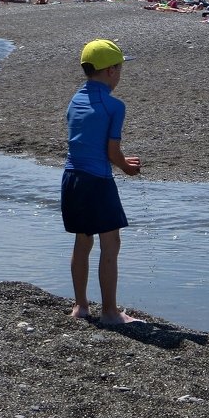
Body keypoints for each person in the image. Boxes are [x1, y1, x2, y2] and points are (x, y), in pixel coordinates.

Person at [61, 39, 143, 325]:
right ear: (111, 71)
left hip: (71, 178)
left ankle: (80, 306)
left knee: (82, 241)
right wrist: (126, 167)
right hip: (97, 180)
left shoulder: (74, 99)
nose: (119, 75)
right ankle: (109, 312)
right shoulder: (114, 105)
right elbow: (111, 152)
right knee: (111, 242)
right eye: (119, 70)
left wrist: (119, 162)